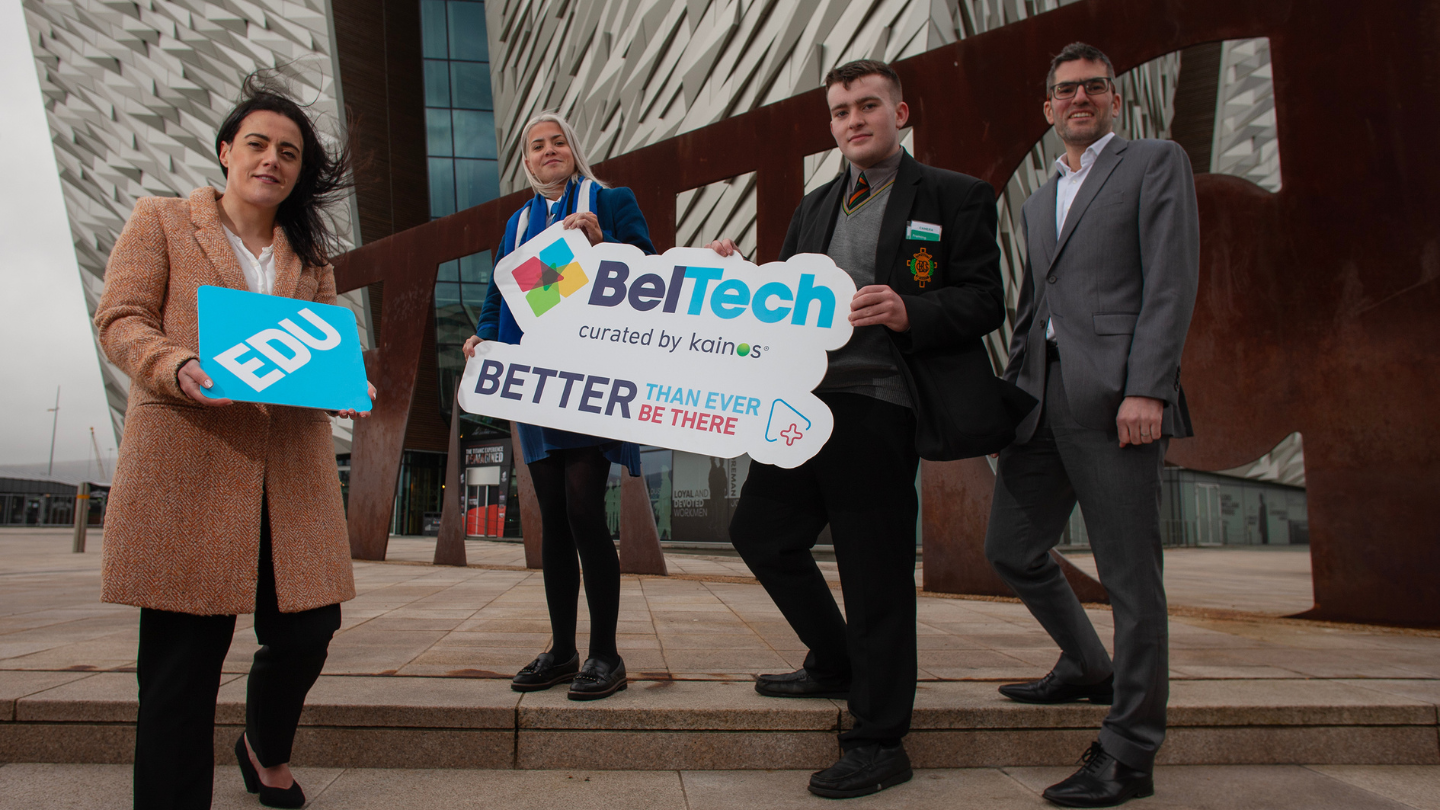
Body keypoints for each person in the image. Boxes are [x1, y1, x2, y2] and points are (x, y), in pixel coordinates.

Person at [709, 59, 1017, 799]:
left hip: (882, 401)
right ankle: (837, 659)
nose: (854, 119)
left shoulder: (952, 196)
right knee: (760, 533)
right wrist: (739, 274)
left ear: (901, 113)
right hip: (806, 403)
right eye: (842, 110)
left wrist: (914, 311)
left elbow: (983, 300)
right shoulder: (813, 207)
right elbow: (783, 302)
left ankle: (880, 738)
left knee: (873, 569)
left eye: (868, 105)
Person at [95, 74, 373, 809]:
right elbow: (120, 319)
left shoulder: (310, 263)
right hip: (189, 465)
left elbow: (322, 354)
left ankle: (261, 745)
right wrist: (175, 365)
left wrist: (345, 385)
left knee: (310, 628)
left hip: (290, 478)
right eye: (257, 144)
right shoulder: (159, 220)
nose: (271, 160)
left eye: (288, 152)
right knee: (181, 670)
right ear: (226, 150)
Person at [984, 42, 1199, 808]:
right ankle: (1085, 664)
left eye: (1093, 88)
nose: (1079, 99)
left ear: (1114, 99)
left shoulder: (1153, 162)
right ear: (1047, 108)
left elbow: (1170, 281)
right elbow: (1034, 308)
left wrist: (1148, 388)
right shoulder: (1043, 198)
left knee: (1131, 579)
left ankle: (1130, 750)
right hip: (1041, 403)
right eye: (1065, 90)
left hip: (1116, 403)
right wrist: (1011, 391)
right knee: (1009, 546)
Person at [462, 112, 655, 701]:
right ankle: (563, 649)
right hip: (533, 382)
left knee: (584, 509)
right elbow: (499, 295)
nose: (549, 151)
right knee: (551, 518)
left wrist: (604, 243)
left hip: (590, 375)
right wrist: (481, 338)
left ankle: (606, 654)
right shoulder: (518, 223)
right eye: (536, 146)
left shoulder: (611, 199)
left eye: (558, 141)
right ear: (526, 161)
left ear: (576, 147)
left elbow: (650, 274)